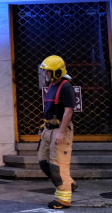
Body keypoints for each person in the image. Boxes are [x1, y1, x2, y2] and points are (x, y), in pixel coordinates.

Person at [38, 55, 77, 209]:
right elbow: (51, 108)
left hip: (60, 130)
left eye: (48, 71)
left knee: (58, 165)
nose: (46, 74)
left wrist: (61, 133)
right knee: (43, 161)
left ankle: (63, 199)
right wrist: (43, 127)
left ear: (57, 72)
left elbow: (68, 112)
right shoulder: (52, 85)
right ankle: (69, 182)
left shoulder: (66, 86)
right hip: (49, 129)